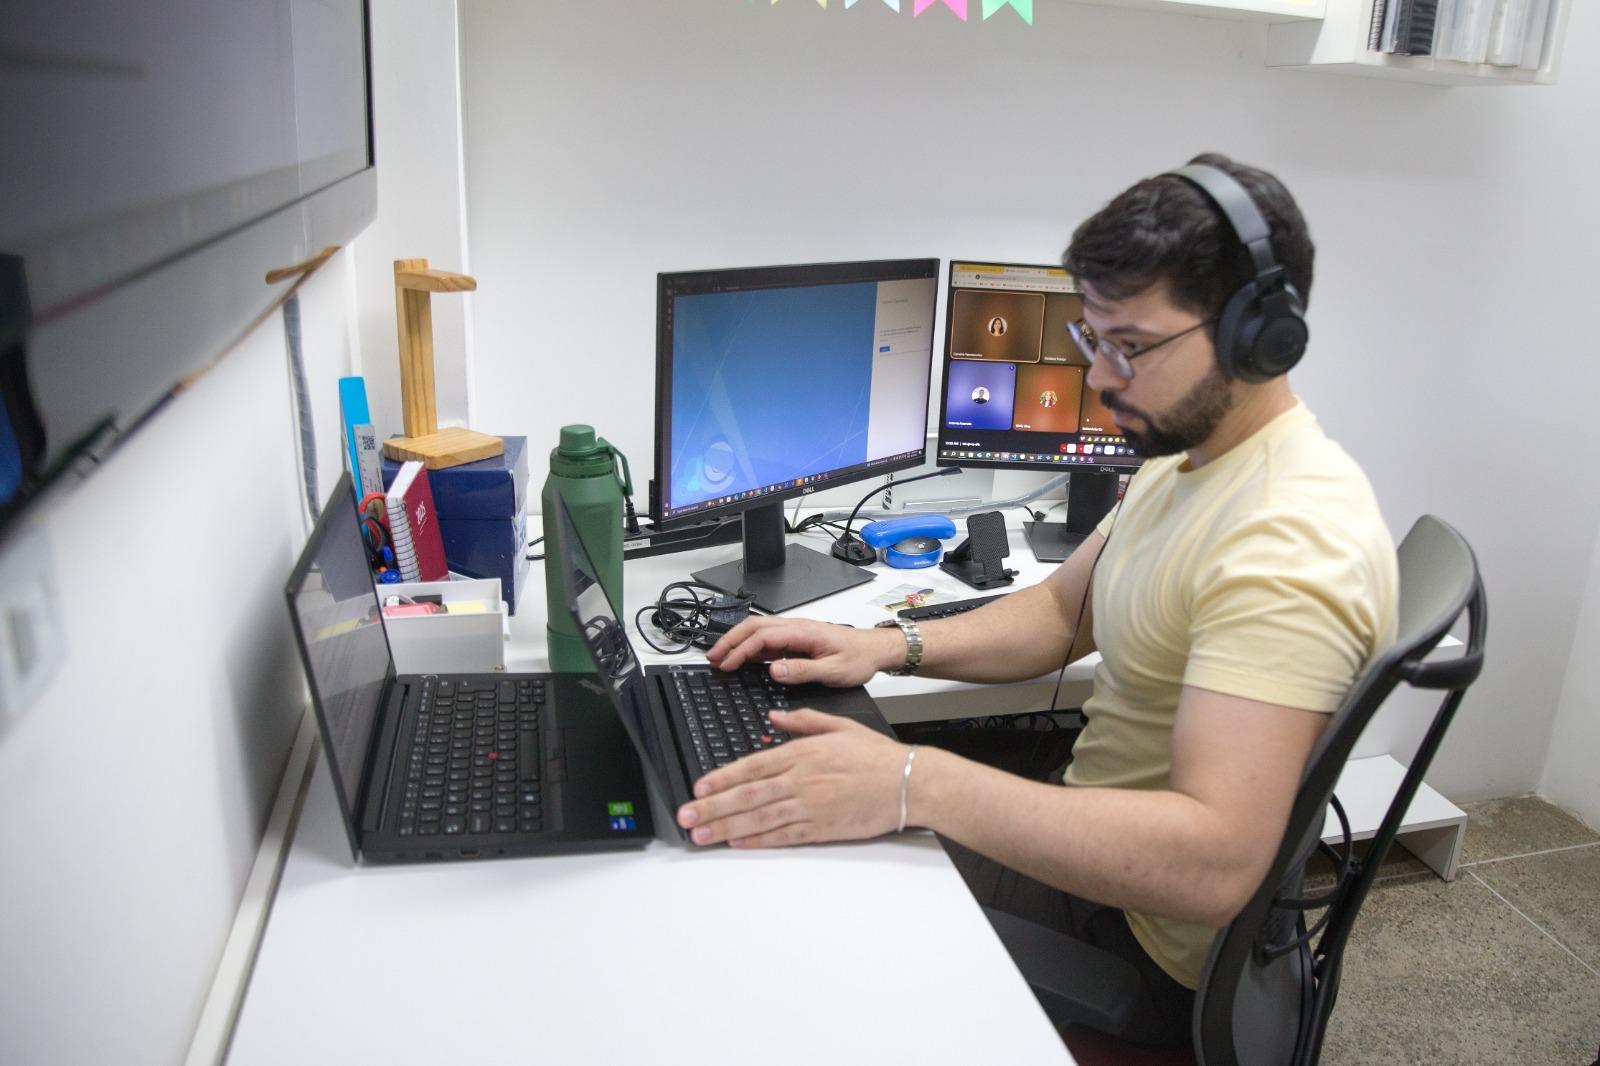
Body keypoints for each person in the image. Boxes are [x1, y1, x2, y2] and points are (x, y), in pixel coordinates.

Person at [676, 153, 1398, 1046]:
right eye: (1095, 341)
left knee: (780, 897)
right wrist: (886, 643)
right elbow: (1063, 613)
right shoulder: (1187, 457)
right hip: (1092, 851)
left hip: (1133, 940)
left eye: (1129, 346)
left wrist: (913, 782)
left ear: (1259, 334)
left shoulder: (1289, 547)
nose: (1100, 379)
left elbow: (1213, 865)